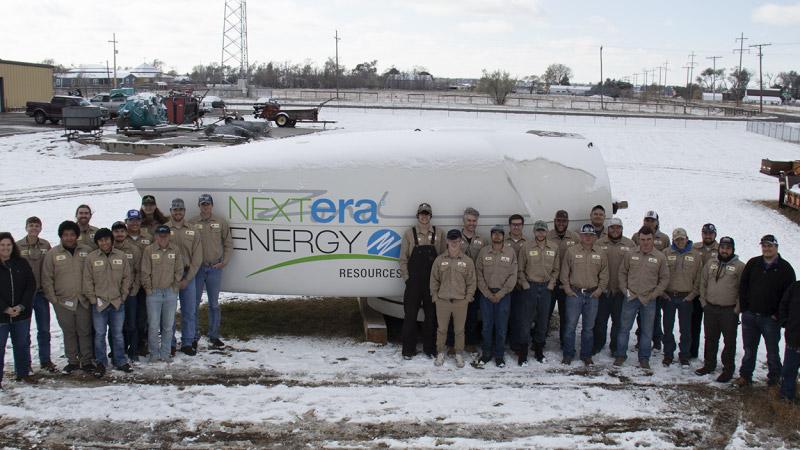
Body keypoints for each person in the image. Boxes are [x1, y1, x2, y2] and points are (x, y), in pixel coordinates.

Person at [734, 235, 796, 387]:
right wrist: (745, 307)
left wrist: (778, 315)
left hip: (771, 319)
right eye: (764, 246)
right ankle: (745, 375)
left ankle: (774, 379)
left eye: (770, 246)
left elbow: (789, 295)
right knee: (749, 349)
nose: (766, 249)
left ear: (776, 247)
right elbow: (743, 286)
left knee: (772, 351)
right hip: (750, 315)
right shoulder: (753, 263)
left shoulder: (785, 268)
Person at [41, 220, 94, 374]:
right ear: (61, 236)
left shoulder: (86, 250)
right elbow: (47, 278)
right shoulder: (53, 254)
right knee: (69, 331)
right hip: (63, 302)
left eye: (72, 235)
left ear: (77, 236)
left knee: (85, 331)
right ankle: (72, 361)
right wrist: (54, 300)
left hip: (83, 300)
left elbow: (93, 273)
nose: (69, 238)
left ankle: (86, 360)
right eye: (66, 235)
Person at [614, 226, 670, 370]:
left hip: (648, 299)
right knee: (624, 328)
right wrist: (625, 290)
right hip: (630, 297)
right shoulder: (630, 254)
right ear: (638, 239)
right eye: (643, 239)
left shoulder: (659, 257)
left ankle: (644, 358)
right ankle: (620, 355)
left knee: (647, 331)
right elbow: (622, 273)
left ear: (653, 239)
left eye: (648, 239)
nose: (645, 242)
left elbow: (664, 279)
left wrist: (654, 294)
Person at [83, 228, 133, 378]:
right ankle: (101, 363)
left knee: (117, 334)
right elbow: (87, 280)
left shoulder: (121, 256)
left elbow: (127, 277)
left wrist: (123, 295)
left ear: (111, 240)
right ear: (97, 242)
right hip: (99, 303)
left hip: (117, 302)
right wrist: (93, 299)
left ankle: (120, 360)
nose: (104, 242)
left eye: (106, 239)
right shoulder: (91, 258)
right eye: (101, 240)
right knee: (99, 334)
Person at [399, 203, 445, 359]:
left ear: (430, 216)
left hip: (432, 284)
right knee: (410, 317)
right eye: (421, 214)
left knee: (431, 317)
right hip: (414, 283)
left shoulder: (439, 233)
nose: (424, 216)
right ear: (417, 216)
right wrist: (407, 279)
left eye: (427, 214)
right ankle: (408, 350)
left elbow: (443, 259)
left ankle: (430, 349)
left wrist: (440, 282)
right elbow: (403, 259)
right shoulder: (409, 234)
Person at [695, 237, 745, 383]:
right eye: (722, 247)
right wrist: (703, 302)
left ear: (733, 249)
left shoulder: (740, 266)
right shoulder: (711, 264)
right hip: (710, 308)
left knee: (729, 341)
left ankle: (728, 369)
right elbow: (702, 282)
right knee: (710, 338)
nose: (724, 250)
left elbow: (743, 289)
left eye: (728, 248)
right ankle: (709, 364)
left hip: (729, 311)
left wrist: (737, 309)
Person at [560, 224, 608, 366]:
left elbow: (604, 274)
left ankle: (586, 355)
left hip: (592, 295)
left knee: (588, 328)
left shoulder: (600, 253)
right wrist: (568, 290)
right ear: (580, 236)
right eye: (585, 234)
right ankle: (568, 354)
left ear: (595, 237)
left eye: (591, 235)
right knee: (570, 326)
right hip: (575, 294)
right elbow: (564, 272)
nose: (588, 237)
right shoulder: (571, 251)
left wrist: (599, 290)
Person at [190, 194, 233, 349]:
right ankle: (193, 335)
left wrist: (224, 262)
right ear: (199, 206)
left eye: (207, 204)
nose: (205, 207)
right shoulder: (192, 223)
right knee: (194, 303)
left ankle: (214, 335)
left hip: (215, 268)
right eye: (202, 204)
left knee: (214, 304)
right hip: (198, 269)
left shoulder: (220, 222)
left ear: (212, 206)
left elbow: (228, 244)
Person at [430, 229, 477, 368]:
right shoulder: (440, 260)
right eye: (451, 240)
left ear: (461, 242)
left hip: (460, 301)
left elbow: (472, 281)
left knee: (459, 330)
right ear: (447, 241)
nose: (454, 243)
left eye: (456, 240)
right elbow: (434, 280)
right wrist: (435, 297)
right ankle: (440, 353)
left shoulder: (467, 261)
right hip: (442, 301)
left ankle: (459, 354)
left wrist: (468, 298)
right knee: (442, 329)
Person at [15, 216, 57, 372]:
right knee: (24, 331)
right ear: (26, 227)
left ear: (40, 228)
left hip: (41, 293)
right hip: (24, 295)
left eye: (36, 226)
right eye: (31, 225)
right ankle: (26, 362)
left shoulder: (45, 245)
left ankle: (45, 360)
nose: (34, 228)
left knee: (44, 329)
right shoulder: (18, 246)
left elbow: (50, 267)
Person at [517, 220, 560, 364]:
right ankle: (523, 353)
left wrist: (552, 284)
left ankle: (539, 351)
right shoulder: (526, 247)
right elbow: (520, 269)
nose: (540, 233)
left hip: (546, 288)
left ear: (547, 232)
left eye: (543, 230)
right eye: (538, 230)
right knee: (526, 321)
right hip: (530, 287)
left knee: (543, 321)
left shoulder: (553, 247)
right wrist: (524, 284)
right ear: (534, 232)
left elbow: (556, 269)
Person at [474, 225, 518, 367]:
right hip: (486, 295)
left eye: (500, 234)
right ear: (491, 235)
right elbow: (478, 274)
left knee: (501, 327)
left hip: (504, 295)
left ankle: (499, 356)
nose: (497, 236)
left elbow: (513, 275)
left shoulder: (510, 252)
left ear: (504, 236)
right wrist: (487, 293)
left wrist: (500, 293)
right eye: (494, 233)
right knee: (487, 326)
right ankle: (486, 354)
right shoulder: (484, 252)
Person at [661, 228, 703, 367]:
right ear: (673, 240)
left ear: (687, 238)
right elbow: (659, 274)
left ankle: (684, 355)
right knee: (667, 327)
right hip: (669, 297)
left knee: (686, 329)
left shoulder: (696, 255)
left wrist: (692, 295)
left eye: (682, 239)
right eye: (677, 239)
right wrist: (663, 293)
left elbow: (699, 278)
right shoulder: (666, 253)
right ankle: (668, 354)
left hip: (686, 297)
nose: (680, 241)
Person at [140, 225, 183, 363]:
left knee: (168, 325)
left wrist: (175, 286)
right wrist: (148, 289)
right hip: (154, 293)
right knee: (153, 325)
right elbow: (145, 271)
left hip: (170, 292)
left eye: (165, 235)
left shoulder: (175, 250)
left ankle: (165, 353)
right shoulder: (149, 250)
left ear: (169, 236)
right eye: (160, 235)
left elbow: (179, 269)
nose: (163, 237)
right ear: (156, 236)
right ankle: (154, 353)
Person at [593, 218, 635, 357]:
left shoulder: (630, 244)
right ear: (608, 229)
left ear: (622, 229)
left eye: (618, 228)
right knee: (600, 320)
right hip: (603, 290)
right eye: (612, 228)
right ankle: (598, 343)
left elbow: (634, 267)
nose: (615, 230)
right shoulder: (599, 243)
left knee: (618, 321)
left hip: (620, 291)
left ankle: (615, 346)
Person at [166, 198, 203, 356]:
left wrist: (188, 278)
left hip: (189, 275)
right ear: (171, 211)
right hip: (170, 277)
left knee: (189, 310)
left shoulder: (193, 230)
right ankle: (171, 343)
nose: (178, 212)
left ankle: (188, 342)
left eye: (180, 210)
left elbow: (197, 256)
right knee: (170, 312)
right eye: (175, 210)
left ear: (184, 211)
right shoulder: (164, 230)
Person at [0, 232, 36, 387]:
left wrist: (21, 306)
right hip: (1, 316)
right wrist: (5, 308)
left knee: (21, 344)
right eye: (2, 245)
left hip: (21, 314)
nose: (5, 248)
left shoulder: (21, 263)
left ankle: (22, 374)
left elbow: (31, 285)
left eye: (8, 245)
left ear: (13, 246)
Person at [632, 210, 670, 351]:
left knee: (655, 314)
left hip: (655, 284)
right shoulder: (636, 236)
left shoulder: (664, 238)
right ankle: (640, 338)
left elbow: (666, 259)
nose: (649, 222)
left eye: (652, 220)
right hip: (639, 282)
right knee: (640, 315)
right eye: (647, 220)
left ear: (657, 222)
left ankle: (657, 338)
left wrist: (662, 286)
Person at [547, 210, 580, 348]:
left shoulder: (574, 237)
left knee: (566, 316)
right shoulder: (547, 236)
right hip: (550, 282)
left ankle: (564, 342)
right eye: (558, 220)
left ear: (568, 222)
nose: (561, 223)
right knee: (545, 313)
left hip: (567, 283)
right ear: (554, 221)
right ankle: (540, 341)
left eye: (564, 221)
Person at [112, 221, 143, 362]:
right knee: (116, 325)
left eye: (122, 231)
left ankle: (134, 350)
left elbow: (138, 271)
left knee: (132, 323)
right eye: (116, 231)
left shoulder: (133, 249)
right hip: (113, 294)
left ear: (126, 233)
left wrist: (135, 289)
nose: (119, 234)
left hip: (130, 293)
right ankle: (117, 350)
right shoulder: (109, 248)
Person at [124, 209, 151, 358]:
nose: (134, 223)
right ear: (126, 221)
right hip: (127, 284)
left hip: (144, 283)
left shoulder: (148, 237)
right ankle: (124, 344)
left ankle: (142, 343)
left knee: (142, 316)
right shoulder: (121, 237)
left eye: (137, 220)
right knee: (127, 318)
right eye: (131, 220)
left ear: (141, 221)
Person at [690, 223, 719, 359]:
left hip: (711, 293)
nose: (708, 236)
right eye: (705, 233)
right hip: (696, 292)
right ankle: (692, 351)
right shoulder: (695, 247)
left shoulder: (721, 249)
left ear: (715, 235)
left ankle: (709, 357)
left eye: (710, 233)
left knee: (711, 330)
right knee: (693, 324)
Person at [458, 207, 484, 348]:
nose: (472, 223)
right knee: (457, 315)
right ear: (464, 221)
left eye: (474, 221)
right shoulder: (456, 238)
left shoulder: (481, 240)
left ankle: (471, 343)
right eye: (469, 220)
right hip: (459, 283)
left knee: (472, 315)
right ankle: (456, 344)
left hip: (475, 284)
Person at [779, 278, 800, 401]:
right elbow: (784, 304)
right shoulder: (796, 287)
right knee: (789, 370)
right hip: (794, 338)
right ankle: (786, 396)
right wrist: (786, 322)